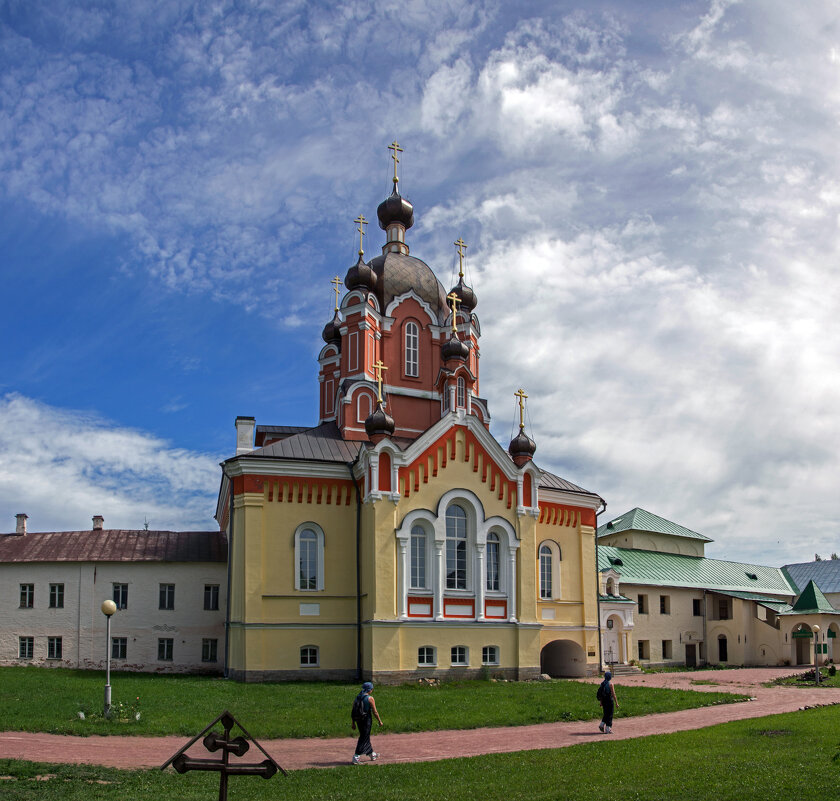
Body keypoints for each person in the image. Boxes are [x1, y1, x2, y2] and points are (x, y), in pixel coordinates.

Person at [351, 681, 383, 764]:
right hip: (366, 720)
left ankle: (371, 754)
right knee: (363, 737)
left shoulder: (357, 697)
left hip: (358, 720)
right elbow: (375, 712)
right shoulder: (370, 698)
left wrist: (353, 722)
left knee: (365, 736)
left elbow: (353, 710)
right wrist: (379, 721)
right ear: (370, 689)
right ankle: (356, 756)